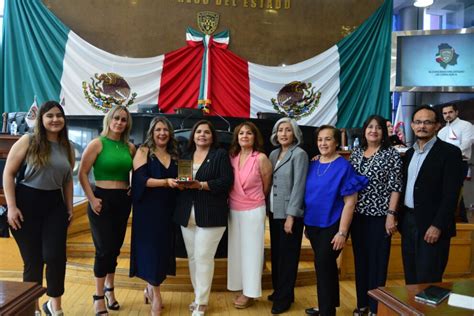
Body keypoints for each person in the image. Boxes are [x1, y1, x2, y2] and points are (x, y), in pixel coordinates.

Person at [3, 101, 74, 316]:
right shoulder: (28, 140)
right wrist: (12, 207)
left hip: (54, 205)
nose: (55, 119)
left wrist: (69, 208)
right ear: (41, 119)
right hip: (26, 203)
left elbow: (67, 180)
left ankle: (54, 306)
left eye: (59, 115)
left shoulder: (67, 146)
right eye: (49, 115)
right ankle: (31, 309)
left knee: (55, 256)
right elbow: (8, 173)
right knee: (33, 261)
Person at [304, 125, 368, 316]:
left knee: (323, 267)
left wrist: (342, 232)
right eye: (320, 139)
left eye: (328, 139)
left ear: (336, 142)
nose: (323, 143)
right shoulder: (313, 163)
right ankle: (328, 305)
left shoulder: (344, 166)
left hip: (333, 225)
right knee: (326, 267)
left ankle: (326, 311)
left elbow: (350, 202)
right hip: (313, 224)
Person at [78, 105, 135, 315]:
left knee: (115, 249)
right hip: (101, 199)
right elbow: (82, 173)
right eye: (117, 118)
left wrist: (132, 190)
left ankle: (110, 289)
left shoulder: (129, 147)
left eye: (124, 119)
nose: (120, 122)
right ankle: (98, 296)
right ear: (109, 119)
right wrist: (92, 199)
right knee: (103, 251)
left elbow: (136, 174)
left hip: (122, 201)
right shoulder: (97, 143)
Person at [173, 120, 233, 316]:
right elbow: (183, 181)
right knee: (192, 257)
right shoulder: (186, 155)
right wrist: (181, 184)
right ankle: (198, 295)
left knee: (203, 257)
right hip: (186, 213)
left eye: (206, 132)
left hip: (211, 213)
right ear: (193, 135)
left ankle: (201, 302)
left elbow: (225, 182)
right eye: (198, 132)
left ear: (212, 136)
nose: (202, 135)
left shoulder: (220, 155)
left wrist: (201, 185)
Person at [400, 105, 464, 285]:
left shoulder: (450, 153)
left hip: (432, 226)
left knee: (428, 280)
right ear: (412, 125)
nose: (422, 126)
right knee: (411, 277)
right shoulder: (410, 153)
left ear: (437, 126)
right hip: (409, 222)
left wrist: (437, 225)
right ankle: (412, 313)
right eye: (418, 122)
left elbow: (451, 195)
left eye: (427, 122)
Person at [349, 115, 402, 315]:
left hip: (380, 216)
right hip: (357, 216)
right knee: (360, 261)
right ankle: (362, 304)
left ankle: (375, 307)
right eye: (370, 127)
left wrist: (391, 215)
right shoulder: (356, 153)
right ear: (364, 130)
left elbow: (396, 187)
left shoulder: (391, 155)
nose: (374, 130)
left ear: (384, 132)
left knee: (378, 262)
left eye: (378, 127)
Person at [130, 117, 179, 316]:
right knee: (151, 252)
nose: (162, 133)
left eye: (165, 130)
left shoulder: (175, 154)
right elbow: (140, 181)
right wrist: (165, 182)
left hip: (168, 210)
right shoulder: (143, 151)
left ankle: (149, 289)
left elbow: (181, 178)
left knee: (163, 251)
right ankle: (156, 295)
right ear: (152, 132)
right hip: (148, 211)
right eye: (158, 129)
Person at [227, 122, 272, 309]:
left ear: (255, 137)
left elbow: (266, 185)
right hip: (233, 210)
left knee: (252, 252)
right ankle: (240, 286)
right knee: (237, 252)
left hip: (253, 209)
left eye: (249, 133)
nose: (245, 136)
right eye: (241, 133)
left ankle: (250, 292)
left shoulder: (261, 158)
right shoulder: (232, 158)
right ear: (237, 137)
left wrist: (254, 200)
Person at [267, 117, 308, 314]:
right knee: (277, 255)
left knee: (288, 257)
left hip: (289, 215)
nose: (283, 133)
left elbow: (299, 187)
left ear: (295, 134)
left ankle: (283, 300)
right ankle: (281, 291)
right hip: (275, 212)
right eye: (280, 130)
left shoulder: (299, 154)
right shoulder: (274, 154)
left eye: (288, 130)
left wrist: (292, 216)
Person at [437, 103, 474, 222]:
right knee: (446, 191)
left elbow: (467, 143)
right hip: (443, 165)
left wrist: (449, 156)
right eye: (445, 113)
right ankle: (456, 218)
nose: (447, 115)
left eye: (450, 112)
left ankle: (459, 218)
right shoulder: (442, 131)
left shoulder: (466, 125)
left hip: (459, 163)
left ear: (456, 112)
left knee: (455, 190)